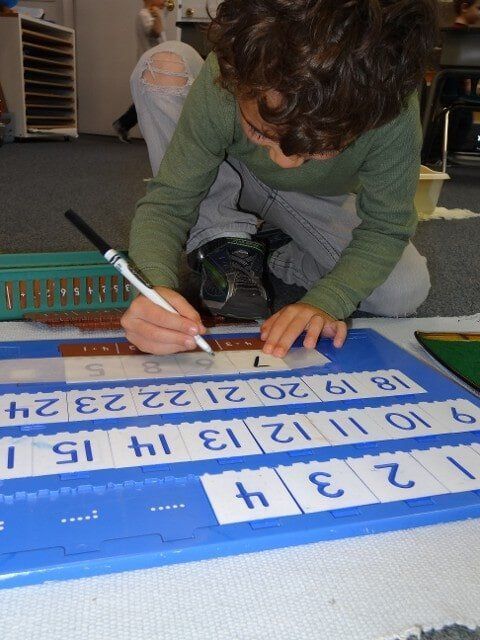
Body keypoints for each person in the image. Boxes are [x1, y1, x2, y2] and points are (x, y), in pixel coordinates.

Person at [121, 0, 437, 358]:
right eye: (260, 133)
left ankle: (270, 250)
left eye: (319, 149)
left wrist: (327, 300)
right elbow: (168, 203)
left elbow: (386, 227)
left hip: (310, 201)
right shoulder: (232, 75)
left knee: (402, 289)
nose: (284, 162)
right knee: (165, 64)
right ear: (235, 77)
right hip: (226, 173)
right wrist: (151, 289)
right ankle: (223, 237)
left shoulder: (389, 105)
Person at [112, 0, 166, 142]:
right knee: (149, 100)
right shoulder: (144, 15)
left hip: (155, 65)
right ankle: (123, 124)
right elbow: (156, 32)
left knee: (148, 100)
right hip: (149, 66)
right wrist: (157, 17)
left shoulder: (152, 14)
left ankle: (123, 124)